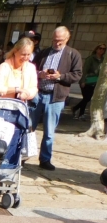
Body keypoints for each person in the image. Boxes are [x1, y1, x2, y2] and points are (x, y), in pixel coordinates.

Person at [31, 26, 83, 171]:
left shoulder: (73, 54)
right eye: (54, 40)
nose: (56, 43)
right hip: (38, 94)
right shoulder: (44, 52)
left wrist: (60, 76)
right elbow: (31, 69)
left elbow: (77, 75)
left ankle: (45, 159)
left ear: (67, 39)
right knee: (29, 127)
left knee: (49, 131)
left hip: (56, 98)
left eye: (59, 41)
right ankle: (23, 155)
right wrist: (39, 74)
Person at [0, 37, 38, 101]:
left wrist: (26, 94)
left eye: (28, 54)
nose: (26, 58)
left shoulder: (31, 68)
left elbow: (34, 88)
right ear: (15, 52)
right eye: (23, 54)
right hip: (2, 106)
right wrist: (16, 90)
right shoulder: (4, 66)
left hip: (19, 107)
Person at [73, 43, 105, 120]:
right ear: (96, 49)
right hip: (87, 81)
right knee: (86, 98)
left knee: (87, 98)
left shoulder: (103, 60)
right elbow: (85, 70)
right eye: (100, 48)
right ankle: (80, 113)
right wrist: (82, 81)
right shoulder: (91, 58)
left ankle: (76, 109)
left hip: (96, 82)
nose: (101, 50)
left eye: (104, 49)